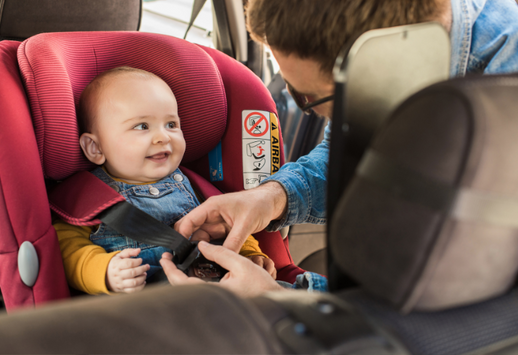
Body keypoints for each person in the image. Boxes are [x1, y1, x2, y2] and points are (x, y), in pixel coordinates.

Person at [161, 0, 518, 297]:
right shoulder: (387, 57)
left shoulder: (506, 95)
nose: (310, 109)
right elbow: (348, 149)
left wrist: (278, 299)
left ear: (385, 60)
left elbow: (468, 311)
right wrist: (272, 197)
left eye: (311, 97)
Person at [53, 66, 275, 295]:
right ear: (95, 147)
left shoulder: (195, 186)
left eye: (171, 124)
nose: (163, 137)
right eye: (142, 126)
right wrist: (106, 272)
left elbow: (229, 225)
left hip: (220, 291)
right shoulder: (88, 199)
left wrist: (249, 254)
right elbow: (68, 249)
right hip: (151, 306)